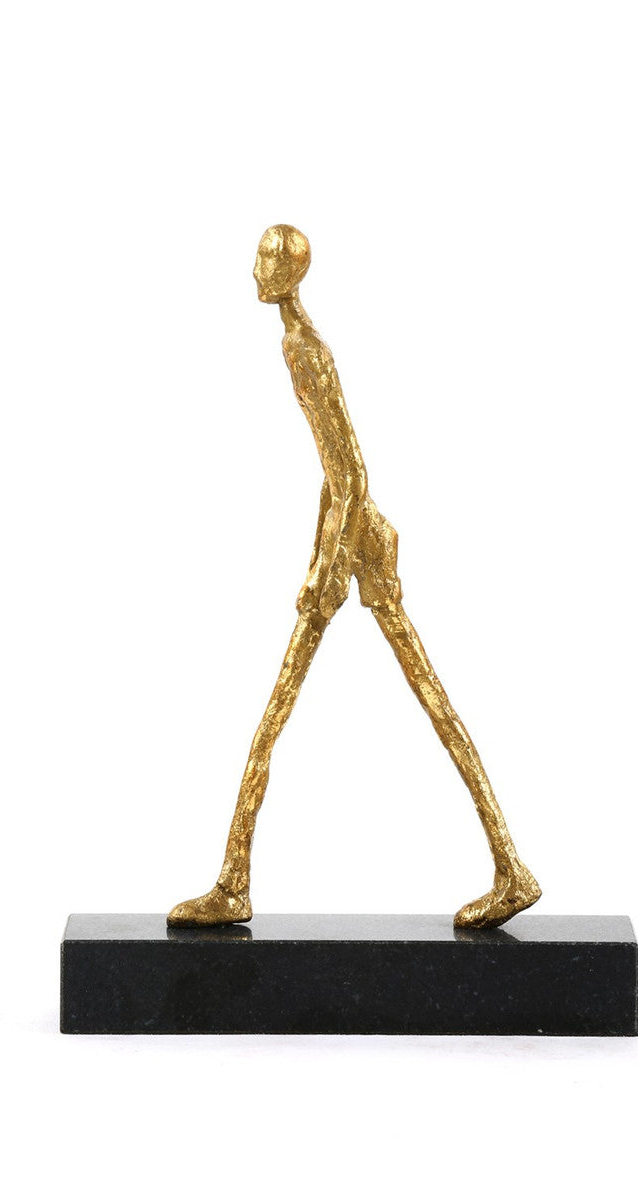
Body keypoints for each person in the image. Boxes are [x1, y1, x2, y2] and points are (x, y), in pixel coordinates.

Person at [168, 225, 540, 929]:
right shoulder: (300, 342)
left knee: (285, 712)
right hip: (355, 537)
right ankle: (509, 867)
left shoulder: (303, 350)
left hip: (355, 541)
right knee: (420, 697)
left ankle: (235, 882)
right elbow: (337, 474)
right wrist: (325, 548)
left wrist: (324, 567)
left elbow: (350, 475)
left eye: (267, 259)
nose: (255, 269)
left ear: (289, 271)